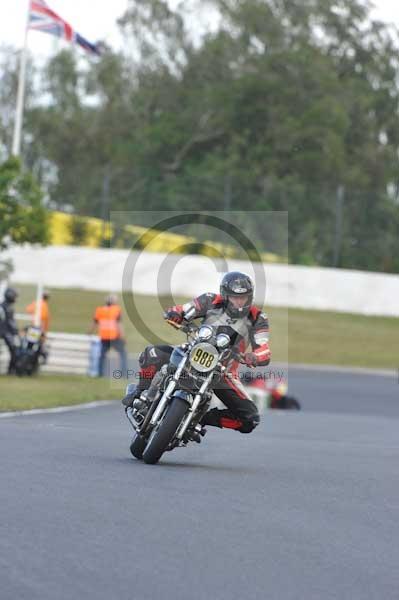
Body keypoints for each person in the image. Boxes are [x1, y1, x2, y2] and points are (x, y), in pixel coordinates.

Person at [123, 271, 271, 434]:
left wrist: (255, 356)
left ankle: (198, 419)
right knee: (151, 354)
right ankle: (140, 393)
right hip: (191, 353)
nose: (239, 302)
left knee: (250, 419)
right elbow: (185, 309)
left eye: (243, 297)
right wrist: (175, 314)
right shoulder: (209, 299)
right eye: (235, 297)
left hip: (223, 371)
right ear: (225, 295)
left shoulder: (258, 317)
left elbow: (263, 347)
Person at [90, 294, 127, 377]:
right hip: (114, 337)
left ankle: (100, 373)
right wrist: (123, 336)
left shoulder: (99, 310)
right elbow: (119, 324)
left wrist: (89, 332)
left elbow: (94, 323)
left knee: (102, 356)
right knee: (123, 354)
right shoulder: (116, 310)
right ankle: (124, 373)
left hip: (104, 337)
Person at [0, 287, 19, 375]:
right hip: (4, 333)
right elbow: (9, 322)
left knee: (14, 350)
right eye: (14, 296)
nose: (15, 298)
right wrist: (15, 332)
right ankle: (11, 370)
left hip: (6, 333)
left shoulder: (7, 307)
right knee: (14, 350)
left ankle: (11, 370)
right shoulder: (4, 307)